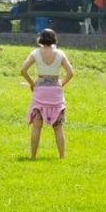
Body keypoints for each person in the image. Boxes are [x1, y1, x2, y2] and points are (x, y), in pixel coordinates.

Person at [20, 29, 75, 159]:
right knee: (58, 127)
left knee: (36, 127)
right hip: (55, 90)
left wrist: (32, 84)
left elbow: (23, 70)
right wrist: (62, 83)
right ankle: (62, 157)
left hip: (41, 89)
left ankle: (33, 156)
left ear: (40, 38)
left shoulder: (36, 53)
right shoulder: (60, 54)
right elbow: (70, 73)